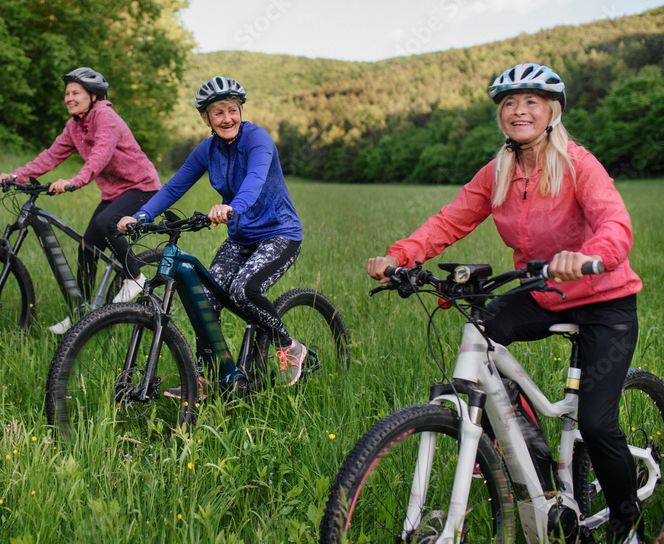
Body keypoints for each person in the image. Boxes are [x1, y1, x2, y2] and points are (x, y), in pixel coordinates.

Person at [366, 63, 643, 544]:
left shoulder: (578, 164)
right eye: (510, 103)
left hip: (604, 300)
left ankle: (626, 520)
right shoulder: (499, 171)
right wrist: (400, 256)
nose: (519, 110)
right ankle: (527, 447)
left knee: (597, 424)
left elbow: (613, 222)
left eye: (531, 102)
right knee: (482, 328)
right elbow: (450, 220)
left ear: (552, 112)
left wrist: (588, 256)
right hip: (544, 293)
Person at [117, 76, 308, 390]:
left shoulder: (257, 140)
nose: (227, 118)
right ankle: (209, 377)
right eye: (218, 113)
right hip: (241, 238)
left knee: (243, 290)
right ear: (205, 118)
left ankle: (288, 345)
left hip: (279, 234)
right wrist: (141, 215)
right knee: (203, 298)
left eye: (233, 110)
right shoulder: (207, 150)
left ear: (240, 111)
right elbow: (175, 186)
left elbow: (255, 180)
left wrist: (232, 207)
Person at [0, 67, 161, 334]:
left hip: (142, 187)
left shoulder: (105, 117)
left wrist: (75, 181)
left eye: (75, 93)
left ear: (93, 95)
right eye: (67, 93)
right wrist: (17, 175)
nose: (69, 98)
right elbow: (51, 156)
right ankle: (80, 315)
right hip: (114, 193)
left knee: (107, 222)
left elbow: (100, 156)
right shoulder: (75, 126)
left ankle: (136, 277)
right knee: (87, 248)